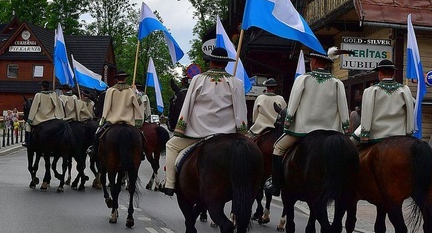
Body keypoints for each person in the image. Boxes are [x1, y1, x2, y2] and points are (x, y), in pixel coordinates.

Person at [161, 47, 248, 197]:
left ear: (210, 62)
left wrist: (181, 127)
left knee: (171, 145)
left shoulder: (198, 79)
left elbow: (188, 104)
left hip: (198, 132)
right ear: (226, 64)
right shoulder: (236, 83)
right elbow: (240, 110)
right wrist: (242, 133)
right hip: (225, 135)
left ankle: (170, 184)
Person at [266, 47, 350, 197]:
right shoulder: (337, 82)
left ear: (315, 62)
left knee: (277, 147)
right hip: (329, 132)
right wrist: (345, 127)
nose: (310, 62)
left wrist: (288, 121)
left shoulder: (303, 79)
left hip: (303, 130)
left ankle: (276, 185)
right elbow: (343, 106)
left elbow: (293, 103)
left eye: (311, 60)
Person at [353, 59, 414, 144]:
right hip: (400, 135)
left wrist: (364, 134)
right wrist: (409, 131)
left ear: (380, 73)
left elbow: (366, 114)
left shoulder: (371, 90)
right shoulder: (404, 89)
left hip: (376, 136)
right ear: (393, 73)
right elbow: (411, 109)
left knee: (350, 146)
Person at [25, 81, 64, 147]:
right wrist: (60, 116)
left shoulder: (38, 95)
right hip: (52, 117)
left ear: (42, 86)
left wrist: (30, 119)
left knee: (27, 125)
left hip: (40, 118)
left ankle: (27, 141)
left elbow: (34, 108)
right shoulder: (53, 94)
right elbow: (58, 106)